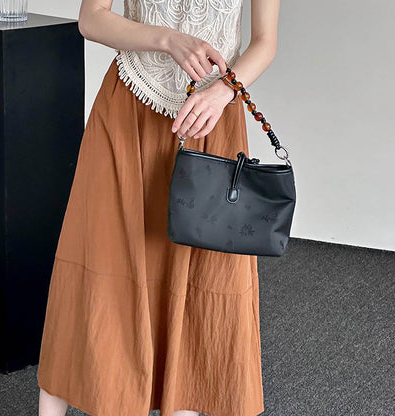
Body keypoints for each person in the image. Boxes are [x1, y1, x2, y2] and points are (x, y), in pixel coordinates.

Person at [37, 1, 280, 416]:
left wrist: (224, 91)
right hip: (128, 109)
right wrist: (167, 40)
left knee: (195, 271)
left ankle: (178, 398)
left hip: (210, 119)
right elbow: (91, 18)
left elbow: (264, 42)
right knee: (99, 258)